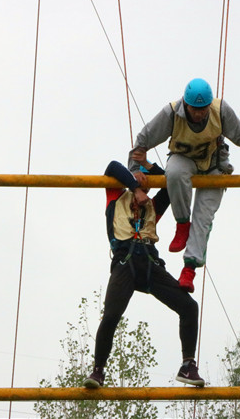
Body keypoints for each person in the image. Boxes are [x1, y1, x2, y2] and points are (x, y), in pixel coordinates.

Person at [129, 78, 240, 293]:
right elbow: (143, 138)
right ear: (186, 105)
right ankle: (182, 224)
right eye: (195, 109)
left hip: (214, 165)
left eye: (203, 109)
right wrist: (134, 170)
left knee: (204, 216)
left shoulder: (220, 111)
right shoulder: (172, 113)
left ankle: (189, 269)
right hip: (185, 159)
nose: (199, 114)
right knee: (174, 173)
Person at [84, 150, 205, 389]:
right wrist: (135, 183)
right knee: (111, 315)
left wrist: (149, 167)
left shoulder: (153, 205)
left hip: (149, 262)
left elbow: (171, 182)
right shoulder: (115, 195)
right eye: (140, 178)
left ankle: (188, 365)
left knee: (189, 307)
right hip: (124, 261)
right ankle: (98, 369)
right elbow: (111, 166)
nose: (145, 184)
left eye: (148, 180)